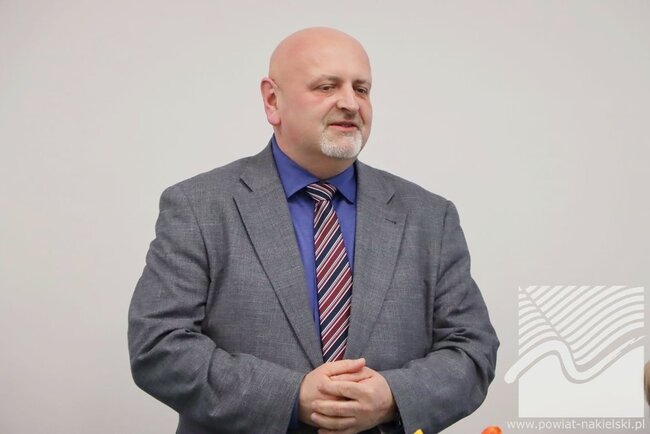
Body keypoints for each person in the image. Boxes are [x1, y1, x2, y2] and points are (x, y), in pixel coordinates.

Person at [128, 27, 499, 434]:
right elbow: (158, 346)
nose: (350, 103)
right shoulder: (199, 206)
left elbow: (473, 349)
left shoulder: (430, 216)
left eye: (361, 89)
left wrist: (393, 396)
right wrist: (291, 397)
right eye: (327, 86)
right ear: (273, 101)